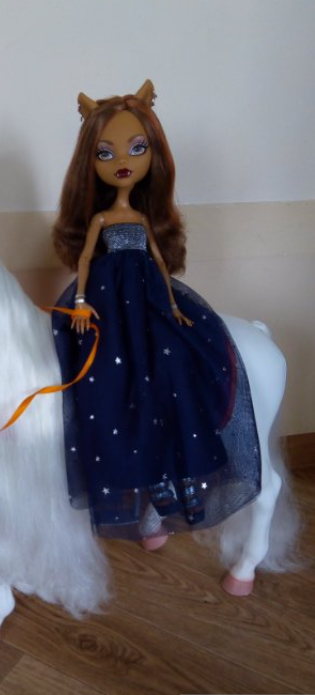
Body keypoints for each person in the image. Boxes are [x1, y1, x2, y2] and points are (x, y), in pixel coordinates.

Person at [52, 80, 261, 541]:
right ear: (90, 162)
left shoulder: (143, 219)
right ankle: (149, 486)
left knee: (175, 363)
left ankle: (178, 480)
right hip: (107, 299)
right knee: (108, 381)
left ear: (153, 154)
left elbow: (161, 264)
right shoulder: (101, 219)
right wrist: (81, 302)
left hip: (147, 296)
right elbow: (85, 259)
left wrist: (171, 304)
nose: (122, 162)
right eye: (105, 153)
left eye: (136, 148)